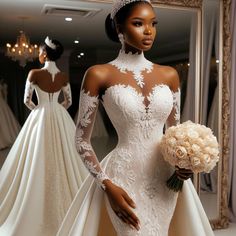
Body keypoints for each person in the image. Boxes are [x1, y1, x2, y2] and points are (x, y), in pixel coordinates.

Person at [57, 1, 214, 235]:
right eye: (138, 23)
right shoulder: (98, 74)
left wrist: (184, 165)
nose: (148, 30)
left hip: (165, 180)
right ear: (119, 28)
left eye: (153, 23)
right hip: (123, 178)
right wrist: (107, 186)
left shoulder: (169, 75)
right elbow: (81, 141)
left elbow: (175, 132)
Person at [0, 37, 88, 236]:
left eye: (41, 51)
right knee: (65, 155)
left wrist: (39, 111)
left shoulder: (34, 73)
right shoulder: (63, 76)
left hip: (39, 116)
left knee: (35, 155)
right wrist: (56, 110)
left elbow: (26, 100)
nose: (39, 53)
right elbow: (68, 101)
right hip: (59, 115)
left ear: (45, 53)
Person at [0, 79, 21, 150]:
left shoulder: (2, 83)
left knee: (4, 122)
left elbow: (4, 95)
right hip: (2, 105)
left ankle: (5, 140)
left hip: (2, 105)